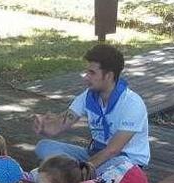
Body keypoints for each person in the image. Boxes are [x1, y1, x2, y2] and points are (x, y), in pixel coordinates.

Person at [32, 44, 149, 175]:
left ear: (109, 76)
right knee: (44, 147)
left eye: (92, 73)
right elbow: (58, 126)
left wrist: (85, 168)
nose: (86, 77)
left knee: (118, 168)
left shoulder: (132, 104)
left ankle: (69, 176)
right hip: (94, 155)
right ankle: (76, 177)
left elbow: (113, 150)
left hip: (124, 161)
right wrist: (44, 126)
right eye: (87, 72)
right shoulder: (88, 96)